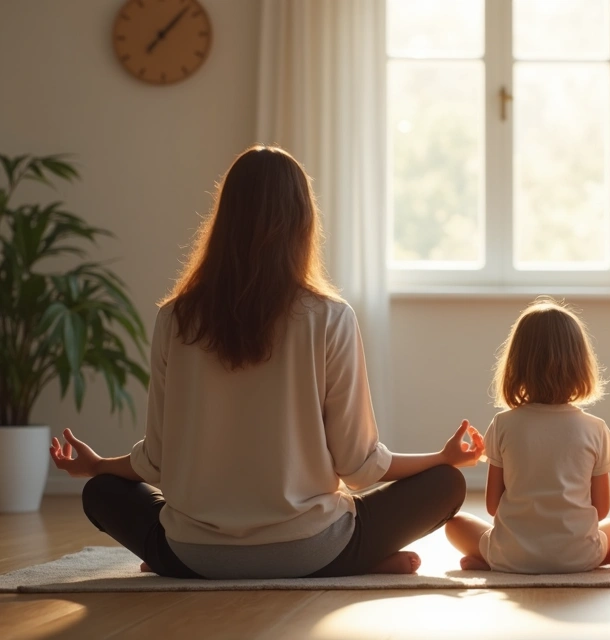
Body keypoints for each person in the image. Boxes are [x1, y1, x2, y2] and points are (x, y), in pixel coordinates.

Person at [49, 146, 483, 580]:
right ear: (304, 223)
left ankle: (167, 560)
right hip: (312, 550)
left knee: (102, 492)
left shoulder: (175, 318)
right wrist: (441, 457)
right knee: (446, 484)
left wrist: (97, 466)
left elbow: (158, 460)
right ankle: (356, 560)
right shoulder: (331, 317)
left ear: (223, 221)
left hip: (190, 555)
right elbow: (359, 467)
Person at [444, 299, 610, 573]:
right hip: (579, 558)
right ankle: (595, 556)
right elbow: (601, 509)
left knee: (455, 525)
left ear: (516, 365)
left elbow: (493, 506)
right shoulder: (596, 427)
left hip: (512, 557)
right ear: (581, 366)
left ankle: (488, 560)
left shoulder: (503, 424)